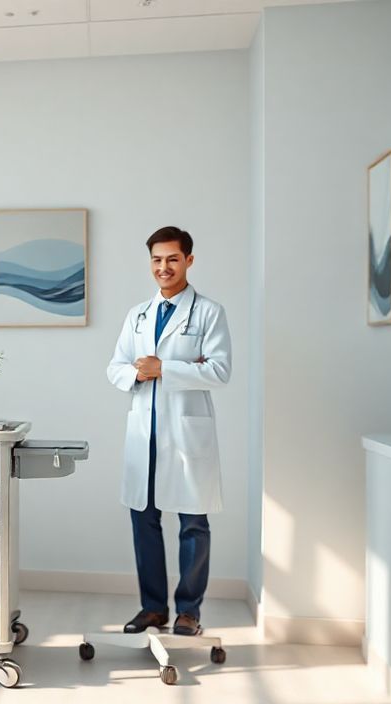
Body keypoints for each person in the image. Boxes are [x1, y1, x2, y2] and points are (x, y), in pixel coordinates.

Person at [107, 226, 231, 637]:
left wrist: (166, 369)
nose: (164, 267)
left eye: (172, 259)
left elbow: (219, 370)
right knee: (144, 520)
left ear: (189, 261)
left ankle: (189, 610)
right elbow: (116, 367)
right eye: (157, 260)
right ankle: (153, 608)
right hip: (146, 434)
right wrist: (137, 375)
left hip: (185, 433)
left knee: (193, 522)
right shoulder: (137, 314)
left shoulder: (209, 312)